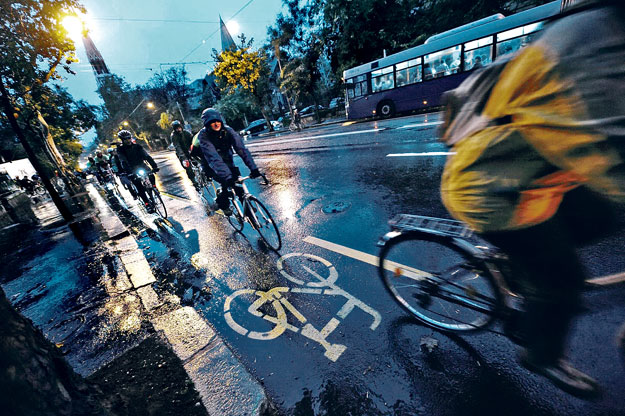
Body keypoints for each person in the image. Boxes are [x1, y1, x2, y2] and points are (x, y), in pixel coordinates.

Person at [439, 0, 625, 398]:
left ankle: (516, 264)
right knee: (562, 278)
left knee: (602, 220)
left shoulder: (597, 27)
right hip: (488, 190)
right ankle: (541, 354)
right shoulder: (593, 50)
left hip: (526, 174)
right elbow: (610, 151)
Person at [197, 108, 261, 215]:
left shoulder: (228, 131)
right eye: (212, 122)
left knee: (238, 184)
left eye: (218, 121)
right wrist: (227, 177)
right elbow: (213, 157)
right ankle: (222, 204)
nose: (216, 124)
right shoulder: (203, 136)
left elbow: (242, 150)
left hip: (227, 159)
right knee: (226, 183)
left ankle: (249, 211)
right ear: (207, 124)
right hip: (210, 163)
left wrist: (253, 168)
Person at [116, 130, 160, 211]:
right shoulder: (120, 150)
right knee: (139, 186)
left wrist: (154, 166)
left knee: (151, 175)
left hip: (142, 165)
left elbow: (146, 156)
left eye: (129, 138)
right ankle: (147, 204)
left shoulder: (137, 146)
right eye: (125, 139)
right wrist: (129, 172)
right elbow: (123, 161)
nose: (128, 140)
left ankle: (154, 187)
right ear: (122, 140)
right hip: (131, 169)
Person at [170, 120, 197, 187]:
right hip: (182, 153)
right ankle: (193, 181)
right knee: (188, 167)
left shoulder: (186, 132)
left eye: (179, 127)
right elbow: (177, 147)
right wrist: (183, 157)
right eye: (176, 128)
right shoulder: (174, 136)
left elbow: (193, 140)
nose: (178, 129)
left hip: (190, 151)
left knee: (199, 161)